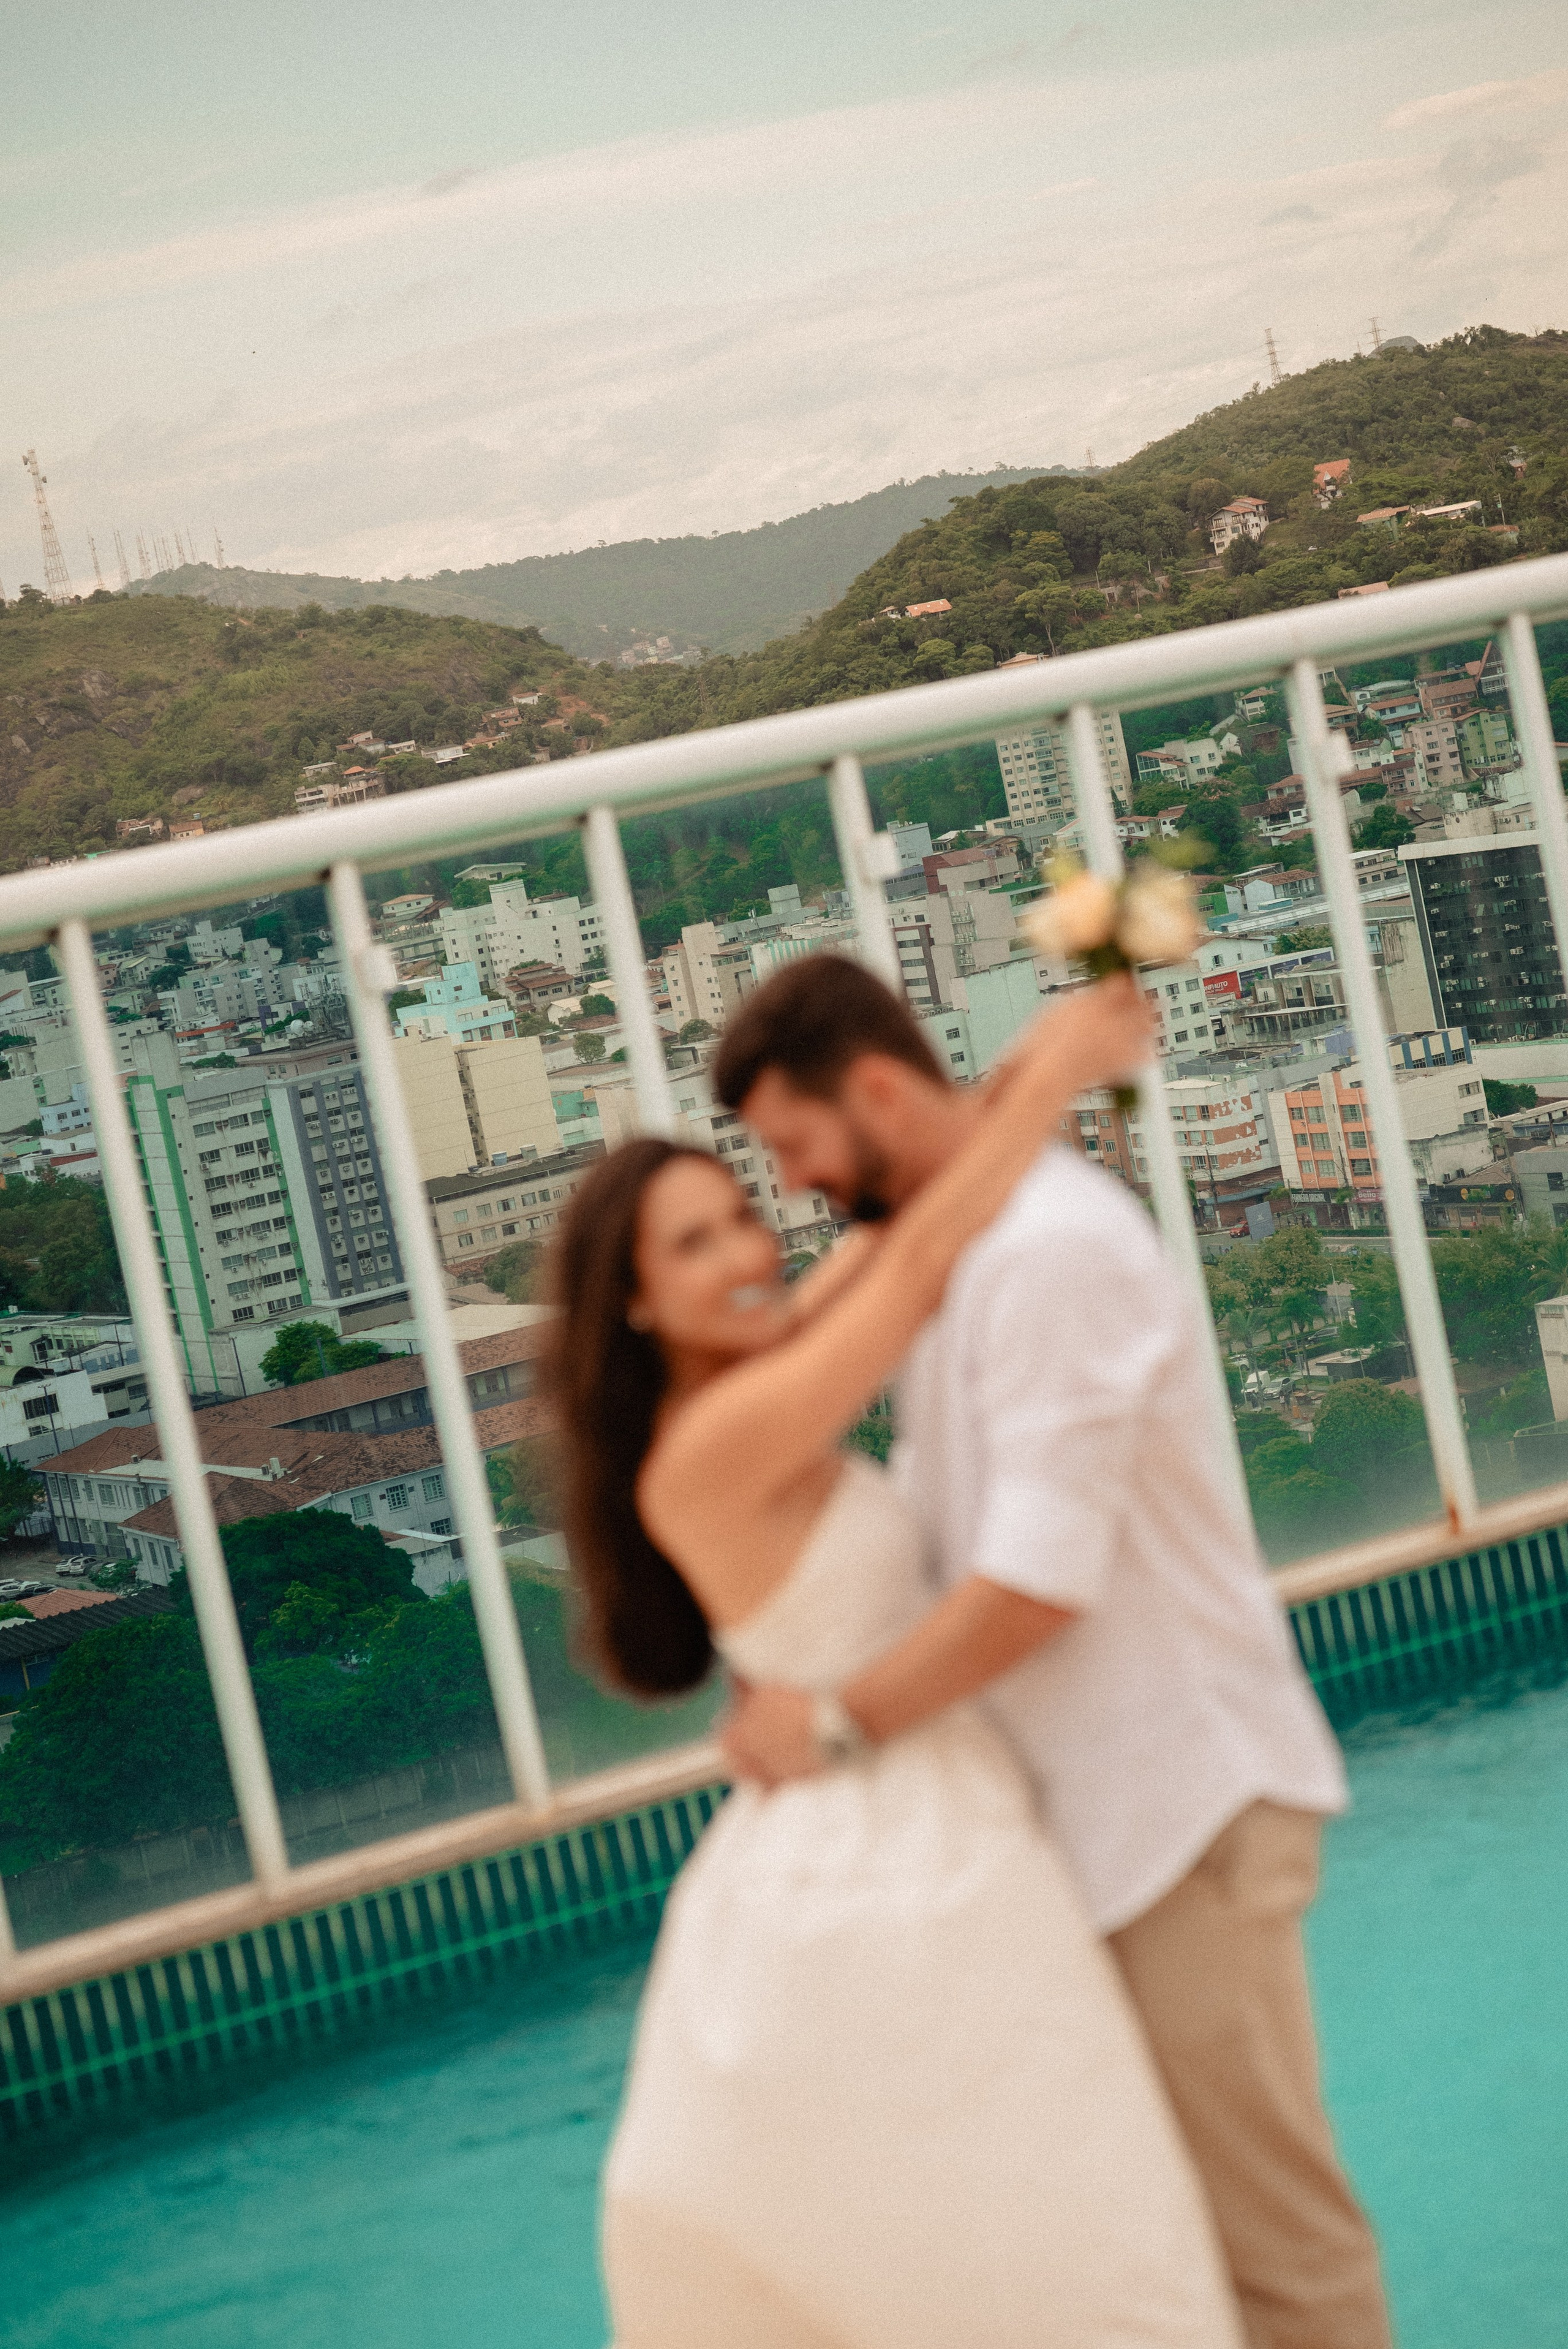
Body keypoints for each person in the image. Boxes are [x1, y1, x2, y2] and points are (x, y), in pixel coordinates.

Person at [549, 974, 1243, 2349]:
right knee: (1021, 2225)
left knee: (1024, 2213)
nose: (752, 1249)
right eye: (696, 1246)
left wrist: (1018, 1068)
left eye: (744, 1211)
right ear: (632, 1305)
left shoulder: (760, 1372)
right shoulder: (717, 1443)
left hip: (929, 1806)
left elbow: (902, 1219)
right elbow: (920, 1261)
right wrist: (1053, 1078)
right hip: (882, 1840)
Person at [712, 953, 1393, 2349]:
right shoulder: (957, 1250)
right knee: (1157, 2254)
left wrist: (831, 1723)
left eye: (793, 1147)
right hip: (1096, 1825)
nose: (791, 1190)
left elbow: (1033, 1585)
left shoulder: (1047, 1256)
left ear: (881, 1091)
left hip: (1179, 1811)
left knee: (1272, 2248)